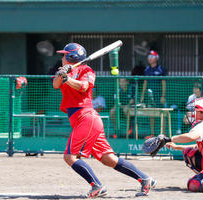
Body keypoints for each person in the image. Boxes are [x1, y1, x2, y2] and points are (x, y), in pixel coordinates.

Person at [53, 43, 156, 198]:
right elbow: (55, 85)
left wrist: (67, 78)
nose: (62, 57)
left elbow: (83, 87)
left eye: (64, 55)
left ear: (71, 57)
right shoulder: (64, 71)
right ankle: (145, 179)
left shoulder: (87, 70)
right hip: (81, 120)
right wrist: (62, 74)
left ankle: (97, 186)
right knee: (108, 159)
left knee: (70, 157)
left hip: (86, 118)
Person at [140, 50, 167, 136]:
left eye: (152, 57)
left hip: (158, 95)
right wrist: (142, 95)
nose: (150, 58)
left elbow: (163, 83)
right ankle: (152, 134)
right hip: (149, 95)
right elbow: (145, 82)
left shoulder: (160, 69)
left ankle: (163, 134)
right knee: (151, 113)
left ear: (156, 58)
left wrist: (163, 96)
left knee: (162, 113)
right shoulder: (147, 69)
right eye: (149, 57)